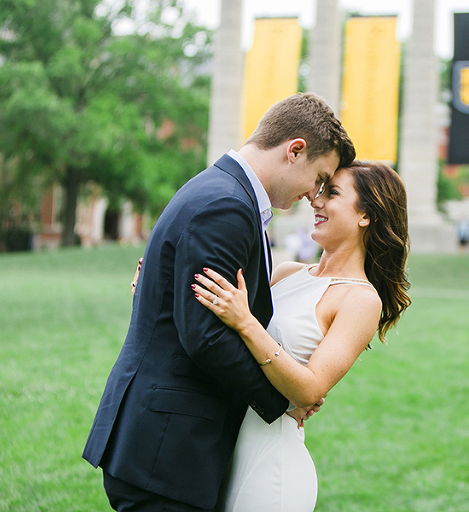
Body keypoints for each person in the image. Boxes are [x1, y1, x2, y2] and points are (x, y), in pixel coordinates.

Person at [82, 93, 355, 512]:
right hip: (166, 448)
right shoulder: (227, 205)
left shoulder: (221, 191)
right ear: (294, 150)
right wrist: (283, 401)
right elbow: (205, 335)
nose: (312, 194)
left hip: (162, 442)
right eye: (318, 178)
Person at [190, 161, 411, 511]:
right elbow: (223, 332)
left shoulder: (360, 299)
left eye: (332, 193)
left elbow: (309, 390)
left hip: (270, 467)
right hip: (220, 449)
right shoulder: (287, 272)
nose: (315, 201)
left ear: (365, 216)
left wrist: (247, 323)